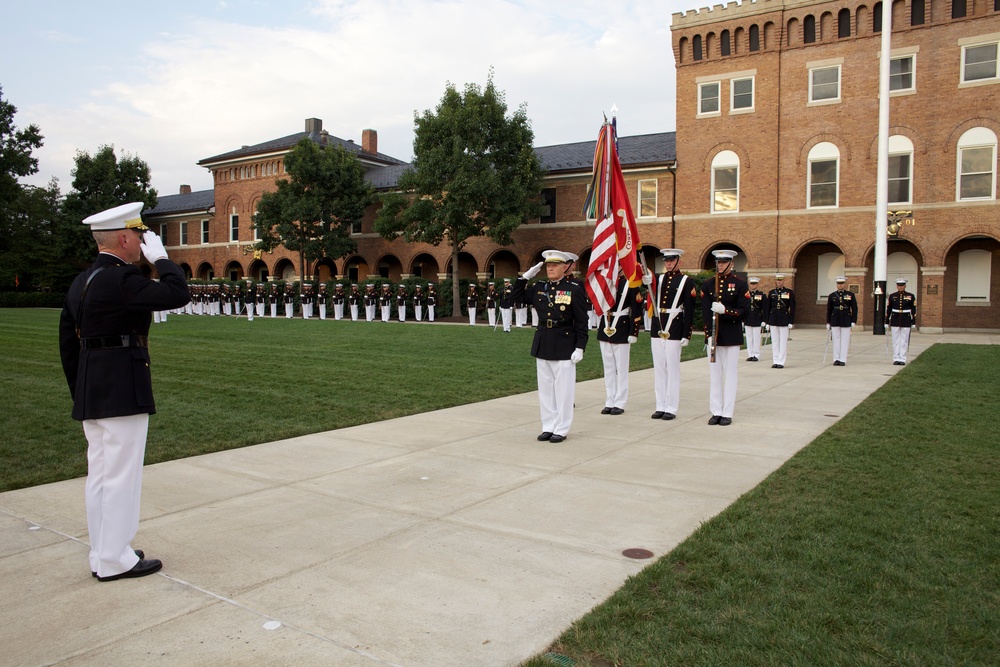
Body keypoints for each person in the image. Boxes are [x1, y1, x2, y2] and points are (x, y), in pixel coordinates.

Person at [58, 202, 190, 581]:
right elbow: (176, 293)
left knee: (99, 475)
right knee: (120, 477)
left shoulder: (82, 281)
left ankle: (104, 552)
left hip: (92, 389)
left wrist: (80, 391)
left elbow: (68, 343)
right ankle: (116, 558)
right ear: (124, 237)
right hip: (122, 386)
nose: (142, 241)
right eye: (139, 235)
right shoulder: (121, 278)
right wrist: (163, 260)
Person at [512, 250, 589, 443]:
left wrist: (580, 347)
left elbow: (582, 321)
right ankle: (548, 425)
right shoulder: (540, 287)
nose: (551, 268)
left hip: (564, 343)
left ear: (565, 267)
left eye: (555, 265)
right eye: (548, 265)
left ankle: (562, 428)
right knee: (545, 390)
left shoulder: (574, 288)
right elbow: (516, 297)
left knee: (563, 391)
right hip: (543, 341)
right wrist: (526, 276)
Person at [701, 249, 750, 426]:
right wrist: (708, 336)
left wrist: (726, 311)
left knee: (730, 375)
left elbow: (745, 312)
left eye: (724, 262)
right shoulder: (708, 285)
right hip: (715, 337)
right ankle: (716, 411)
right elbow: (706, 314)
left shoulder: (740, 284)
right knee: (715, 375)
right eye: (718, 262)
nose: (720, 265)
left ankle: (727, 412)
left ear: (731, 264)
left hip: (731, 336)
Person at [647, 249, 697, 420]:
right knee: (659, 368)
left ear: (678, 262)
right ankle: (660, 405)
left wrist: (687, 334)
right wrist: (646, 282)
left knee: (672, 369)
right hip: (658, 326)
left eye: (671, 260)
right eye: (666, 260)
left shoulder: (686, 281)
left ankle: (671, 407)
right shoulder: (659, 279)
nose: (668, 263)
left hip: (675, 327)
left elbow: (689, 310)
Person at [597, 270, 643, 415]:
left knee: (621, 369)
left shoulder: (631, 283)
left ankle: (620, 401)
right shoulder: (606, 282)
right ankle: (609, 399)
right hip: (605, 326)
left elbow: (637, 309)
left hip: (622, 327)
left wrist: (633, 331)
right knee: (608, 368)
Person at [764, 272, 795, 368]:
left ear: (783, 281)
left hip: (784, 318)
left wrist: (791, 321)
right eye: (777, 280)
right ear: (775, 281)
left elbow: (793, 307)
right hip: (773, 318)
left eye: (781, 280)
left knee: (783, 341)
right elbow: (767, 308)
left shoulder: (789, 292)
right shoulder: (772, 292)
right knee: (775, 341)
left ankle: (781, 361)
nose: (779, 282)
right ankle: (775, 360)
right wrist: (767, 321)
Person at [826, 276, 857, 366]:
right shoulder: (832, 295)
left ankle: (842, 359)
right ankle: (836, 358)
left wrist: (853, 320)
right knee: (836, 340)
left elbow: (854, 308)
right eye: (838, 283)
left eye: (842, 283)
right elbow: (829, 309)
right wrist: (828, 322)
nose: (840, 285)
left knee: (845, 340)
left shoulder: (850, 295)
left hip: (846, 318)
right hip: (835, 318)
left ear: (845, 284)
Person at [886, 278, 917, 365]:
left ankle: (902, 358)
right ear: (896, 286)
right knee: (895, 340)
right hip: (895, 318)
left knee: (904, 340)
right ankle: (896, 358)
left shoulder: (910, 296)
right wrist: (886, 321)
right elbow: (889, 309)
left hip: (906, 318)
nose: (900, 287)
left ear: (905, 286)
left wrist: (914, 321)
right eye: (899, 285)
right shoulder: (892, 296)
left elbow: (913, 309)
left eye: (902, 285)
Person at [744, 277, 765, 362]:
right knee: (749, 337)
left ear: (757, 284)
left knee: (756, 337)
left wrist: (764, 320)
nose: (753, 285)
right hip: (748, 317)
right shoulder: (746, 295)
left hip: (757, 317)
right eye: (752, 284)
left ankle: (756, 354)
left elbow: (764, 308)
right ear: (749, 284)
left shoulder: (761, 294)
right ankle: (750, 354)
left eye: (755, 284)